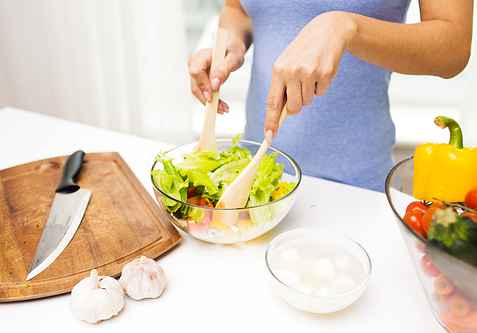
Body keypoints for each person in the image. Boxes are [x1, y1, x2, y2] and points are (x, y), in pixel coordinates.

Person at [187, 0, 473, 192]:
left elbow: (453, 46)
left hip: (356, 191)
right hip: (254, 179)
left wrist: (346, 27)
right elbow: (237, 8)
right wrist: (233, 43)